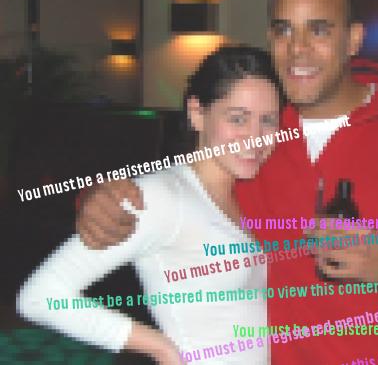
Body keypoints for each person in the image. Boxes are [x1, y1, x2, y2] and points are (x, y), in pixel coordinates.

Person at [75, 0, 378, 364]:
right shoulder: (252, 135)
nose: (297, 50)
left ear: (353, 39)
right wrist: (98, 201)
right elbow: (173, 187)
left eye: (319, 30)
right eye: (284, 30)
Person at [17, 46, 283, 365]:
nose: (256, 137)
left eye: (268, 120)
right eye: (238, 118)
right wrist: (160, 347)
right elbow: (41, 297)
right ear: (197, 113)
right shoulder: (163, 196)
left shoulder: (240, 195)